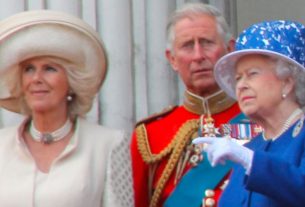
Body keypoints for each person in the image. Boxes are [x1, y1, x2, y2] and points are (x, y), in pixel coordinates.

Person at [0, 10, 133, 207]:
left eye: (49, 68)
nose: (36, 79)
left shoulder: (108, 144)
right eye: (29, 69)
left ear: (72, 81)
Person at [130, 3, 258, 207]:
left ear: (229, 49)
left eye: (207, 42)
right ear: (172, 59)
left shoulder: (261, 121)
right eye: (187, 45)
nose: (198, 55)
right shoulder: (150, 136)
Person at [193, 20, 305, 206]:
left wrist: (252, 162)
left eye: (252, 74)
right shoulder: (252, 148)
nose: (241, 85)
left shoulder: (250, 155)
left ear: (287, 81)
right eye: (238, 78)